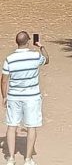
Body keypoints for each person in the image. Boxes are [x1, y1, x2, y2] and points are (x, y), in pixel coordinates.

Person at [1, 31, 49, 165]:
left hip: (14, 97)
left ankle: (10, 158)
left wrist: (4, 96)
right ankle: (27, 159)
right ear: (28, 41)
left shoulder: (9, 59)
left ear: (17, 42)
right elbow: (47, 60)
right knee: (31, 127)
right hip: (31, 97)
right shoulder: (35, 56)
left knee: (11, 126)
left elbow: (4, 80)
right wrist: (41, 46)